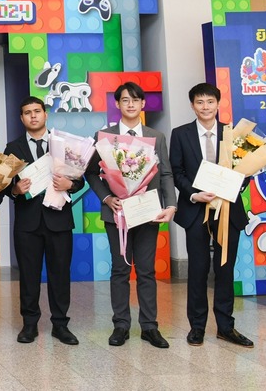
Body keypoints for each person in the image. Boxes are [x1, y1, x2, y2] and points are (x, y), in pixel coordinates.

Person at [84, 81, 176, 348]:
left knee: (146, 270)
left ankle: (149, 327)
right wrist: (107, 197)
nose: (131, 104)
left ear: (143, 104)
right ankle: (121, 325)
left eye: (136, 100)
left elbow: (165, 173)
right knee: (120, 269)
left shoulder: (156, 136)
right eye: (125, 100)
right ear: (117, 104)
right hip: (118, 213)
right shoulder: (104, 136)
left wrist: (170, 205)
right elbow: (91, 172)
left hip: (148, 211)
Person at [170, 82, 254, 348]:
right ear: (192, 105)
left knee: (225, 269)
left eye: (210, 102)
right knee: (197, 269)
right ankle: (197, 327)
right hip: (196, 210)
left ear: (218, 104)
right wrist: (194, 194)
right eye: (200, 102)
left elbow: (246, 170)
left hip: (228, 210)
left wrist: (234, 186)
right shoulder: (180, 134)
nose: (205, 107)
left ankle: (226, 327)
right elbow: (177, 171)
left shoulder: (233, 133)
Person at [5, 97, 81, 346]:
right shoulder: (12, 148)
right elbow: (4, 186)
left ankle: (60, 325)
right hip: (27, 223)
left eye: (37, 111)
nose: (33, 116)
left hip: (59, 220)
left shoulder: (63, 144)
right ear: (22, 118)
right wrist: (15, 190)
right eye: (27, 112)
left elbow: (79, 178)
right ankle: (29, 325)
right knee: (28, 275)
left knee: (60, 274)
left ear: (45, 114)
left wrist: (70, 184)